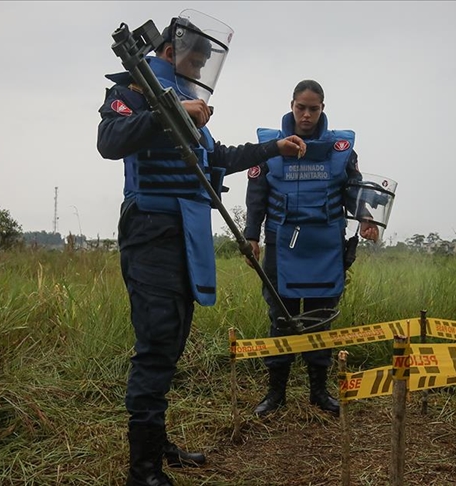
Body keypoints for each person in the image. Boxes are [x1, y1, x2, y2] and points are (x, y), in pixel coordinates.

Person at [96, 14, 307, 486]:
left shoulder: (187, 103)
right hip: (151, 232)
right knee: (155, 346)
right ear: (170, 52)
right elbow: (108, 141)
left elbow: (221, 159)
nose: (197, 70)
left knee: (170, 343)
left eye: (204, 64)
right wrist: (162, 115)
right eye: (193, 59)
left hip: (187, 235)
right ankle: (143, 470)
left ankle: (158, 444)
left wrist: (274, 149)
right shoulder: (133, 91)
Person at [243, 79, 379, 418]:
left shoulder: (341, 148)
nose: (306, 115)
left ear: (322, 109)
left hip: (326, 245)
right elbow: (256, 195)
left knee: (320, 319)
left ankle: (319, 391)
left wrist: (365, 217)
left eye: (313, 109)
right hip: (280, 244)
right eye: (301, 108)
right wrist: (251, 236)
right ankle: (276, 393)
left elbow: (353, 189)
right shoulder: (270, 146)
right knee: (281, 319)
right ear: (291, 106)